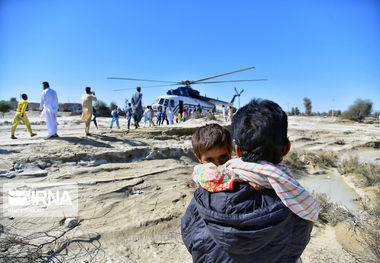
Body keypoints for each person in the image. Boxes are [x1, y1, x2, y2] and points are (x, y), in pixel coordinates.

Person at [182, 99, 315, 263]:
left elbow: (190, 235)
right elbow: (298, 244)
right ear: (287, 148)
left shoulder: (205, 194)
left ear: (236, 150)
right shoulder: (298, 201)